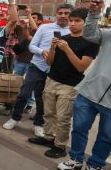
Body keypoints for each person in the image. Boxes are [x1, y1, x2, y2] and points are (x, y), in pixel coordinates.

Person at [27, 8, 99, 158]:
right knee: (49, 113)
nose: (72, 23)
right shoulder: (63, 37)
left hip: (70, 85)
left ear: (86, 23)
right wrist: (52, 48)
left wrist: (66, 49)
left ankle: (60, 146)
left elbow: (81, 67)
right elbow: (49, 62)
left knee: (63, 118)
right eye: (71, 20)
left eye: (77, 21)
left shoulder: (90, 43)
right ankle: (48, 138)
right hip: (52, 79)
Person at [58, 0, 110, 170]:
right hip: (88, 94)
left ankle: (95, 165)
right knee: (79, 128)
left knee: (107, 137)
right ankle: (76, 159)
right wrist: (94, 14)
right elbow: (90, 34)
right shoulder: (109, 34)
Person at [3, 4, 72, 136]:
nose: (63, 16)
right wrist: (42, 51)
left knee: (42, 99)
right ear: (56, 14)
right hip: (37, 66)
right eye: (60, 13)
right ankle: (15, 118)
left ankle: (39, 124)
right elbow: (32, 46)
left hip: (54, 71)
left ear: (71, 15)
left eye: (67, 13)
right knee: (24, 93)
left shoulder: (72, 32)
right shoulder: (45, 28)